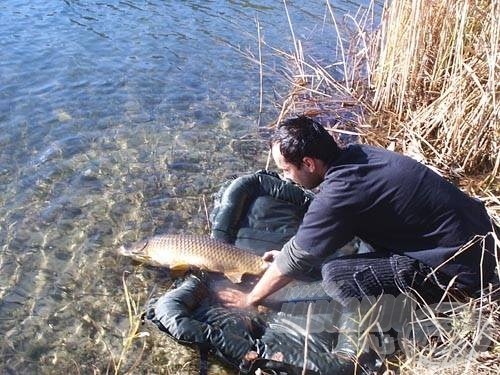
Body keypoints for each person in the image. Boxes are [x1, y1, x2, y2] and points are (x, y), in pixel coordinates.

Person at [218, 115, 498, 309]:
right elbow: (305, 246)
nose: (286, 177)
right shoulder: (359, 154)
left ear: (308, 163)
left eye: (286, 169)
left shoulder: (339, 194)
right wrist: (292, 255)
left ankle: (397, 317)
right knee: (355, 249)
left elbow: (297, 259)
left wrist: (251, 299)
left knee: (337, 276)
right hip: (481, 236)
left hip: (461, 270)